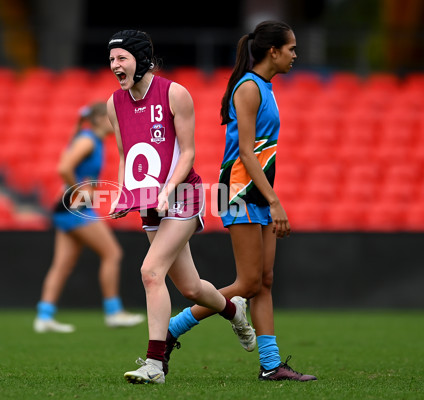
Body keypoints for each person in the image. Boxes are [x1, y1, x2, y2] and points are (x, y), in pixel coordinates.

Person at [165, 21, 317, 381]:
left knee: (263, 281)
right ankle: (172, 328)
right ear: (273, 51)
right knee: (248, 284)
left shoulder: (264, 86)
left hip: (251, 193)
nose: (296, 54)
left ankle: (270, 365)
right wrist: (276, 202)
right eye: (291, 48)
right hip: (237, 192)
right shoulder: (249, 88)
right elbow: (247, 154)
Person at [106, 29, 255, 384]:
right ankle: (235, 310)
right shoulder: (114, 104)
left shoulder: (175, 93)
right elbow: (126, 155)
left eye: (121, 58)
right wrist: (124, 193)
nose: (115, 66)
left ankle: (154, 365)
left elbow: (187, 153)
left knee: (150, 272)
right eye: (111, 59)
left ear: (141, 59)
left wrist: (167, 190)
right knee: (190, 287)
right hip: (150, 201)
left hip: (183, 195)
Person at [34, 102, 144, 333]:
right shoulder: (87, 140)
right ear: (99, 119)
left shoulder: (91, 139)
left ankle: (44, 316)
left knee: (63, 264)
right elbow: (64, 167)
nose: (116, 122)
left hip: (69, 207)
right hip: (76, 207)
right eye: (111, 118)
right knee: (112, 253)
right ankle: (114, 313)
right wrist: (79, 190)